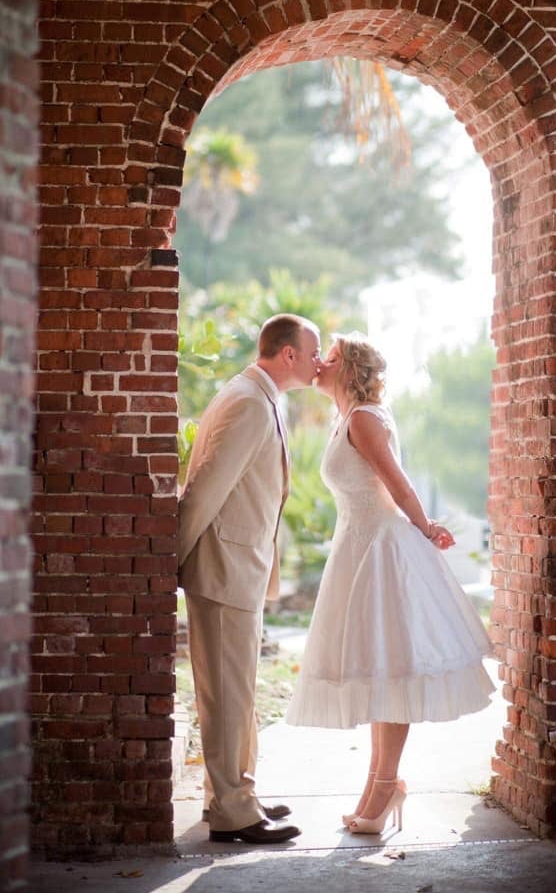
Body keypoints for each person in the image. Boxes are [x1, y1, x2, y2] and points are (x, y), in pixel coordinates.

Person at [286, 332, 495, 834]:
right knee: (379, 672)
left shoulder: (363, 418)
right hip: (356, 549)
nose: (318, 364)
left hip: (382, 552)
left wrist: (426, 528)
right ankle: (380, 785)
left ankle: (386, 785)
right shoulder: (347, 419)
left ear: (350, 369)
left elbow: (397, 482)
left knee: (393, 672)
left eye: (328, 358)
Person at [178, 313, 321, 844]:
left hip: (240, 568)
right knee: (226, 694)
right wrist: (174, 559)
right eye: (313, 351)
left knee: (237, 691)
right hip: (222, 569)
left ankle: (236, 797)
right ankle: (234, 811)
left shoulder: (262, 397)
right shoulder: (245, 401)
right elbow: (205, 489)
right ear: (288, 354)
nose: (318, 360)